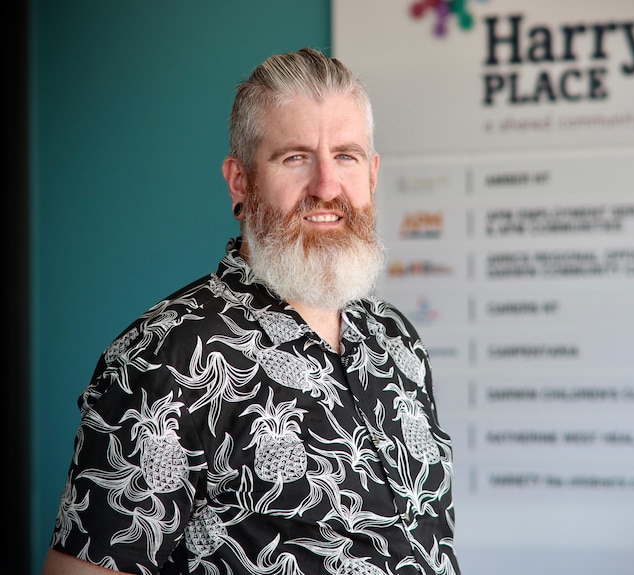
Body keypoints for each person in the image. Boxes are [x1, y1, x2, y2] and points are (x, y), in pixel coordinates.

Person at [42, 47, 461, 575]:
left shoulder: (396, 340)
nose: (327, 186)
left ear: (372, 175)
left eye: (347, 156)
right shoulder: (166, 358)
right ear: (240, 182)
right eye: (295, 157)